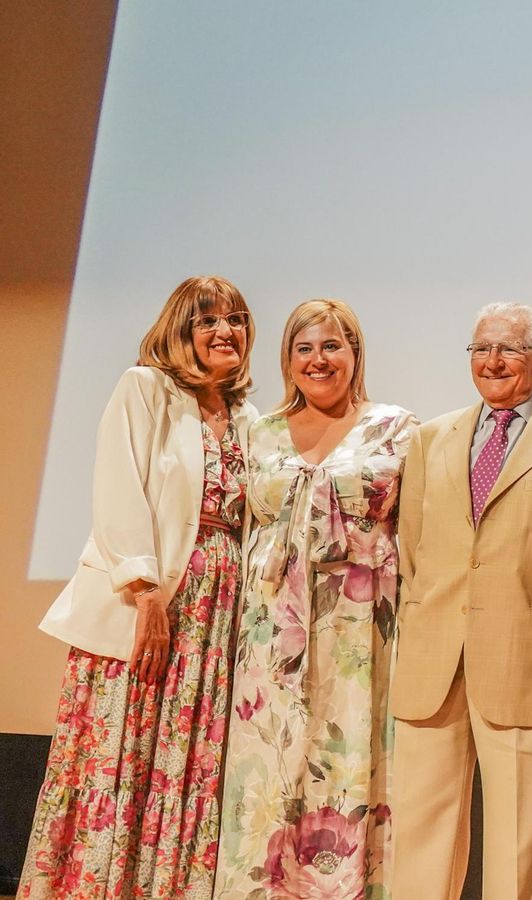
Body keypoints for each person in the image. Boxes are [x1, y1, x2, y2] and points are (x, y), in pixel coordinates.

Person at [24, 276, 256, 898]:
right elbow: (119, 486)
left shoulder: (249, 418)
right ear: (181, 331)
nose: (224, 330)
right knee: (123, 747)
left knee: (187, 760)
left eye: (234, 319)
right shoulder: (146, 388)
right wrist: (147, 592)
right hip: (148, 601)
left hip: (218, 616)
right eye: (207, 321)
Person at [389, 303, 532, 900]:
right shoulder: (430, 439)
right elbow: (412, 559)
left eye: (511, 349)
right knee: (419, 836)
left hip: (530, 666)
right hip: (433, 666)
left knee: (525, 849)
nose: (493, 362)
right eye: (482, 349)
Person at [215, 299, 416, 897]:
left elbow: (424, 523)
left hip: (357, 625)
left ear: (355, 354)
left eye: (332, 346)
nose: (318, 360)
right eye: (304, 348)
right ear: (287, 359)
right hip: (268, 627)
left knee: (346, 746)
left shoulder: (396, 426)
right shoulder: (260, 430)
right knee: (269, 758)